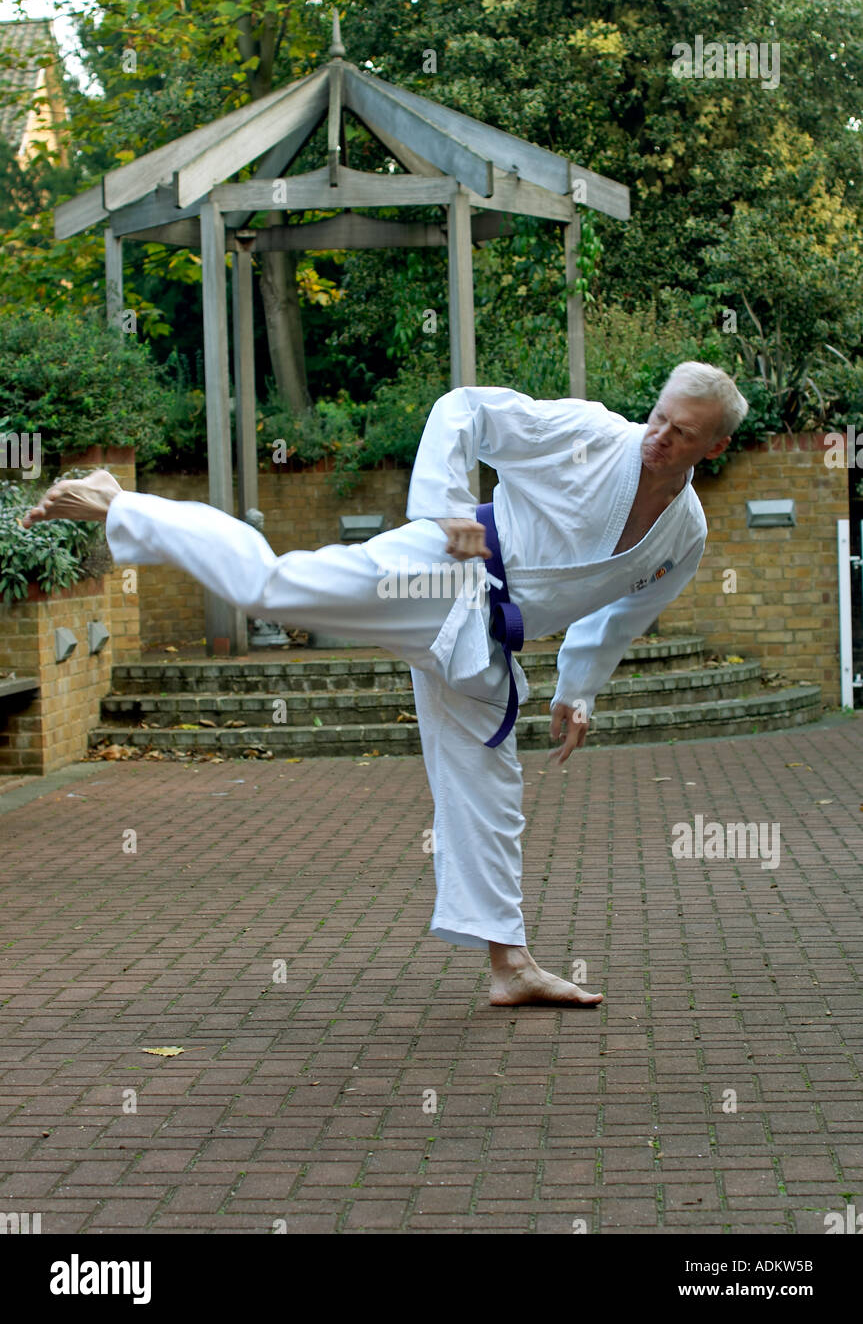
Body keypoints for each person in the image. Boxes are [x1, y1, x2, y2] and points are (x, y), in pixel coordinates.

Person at [22, 361, 747, 1007]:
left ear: (713, 448)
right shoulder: (588, 433)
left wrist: (576, 690)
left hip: (486, 642)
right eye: (657, 417)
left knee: (488, 792)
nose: (657, 437)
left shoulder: (682, 533)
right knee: (274, 587)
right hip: (440, 572)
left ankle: (510, 965)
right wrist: (449, 508)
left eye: (681, 433)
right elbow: (464, 408)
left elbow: (619, 619)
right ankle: (123, 502)